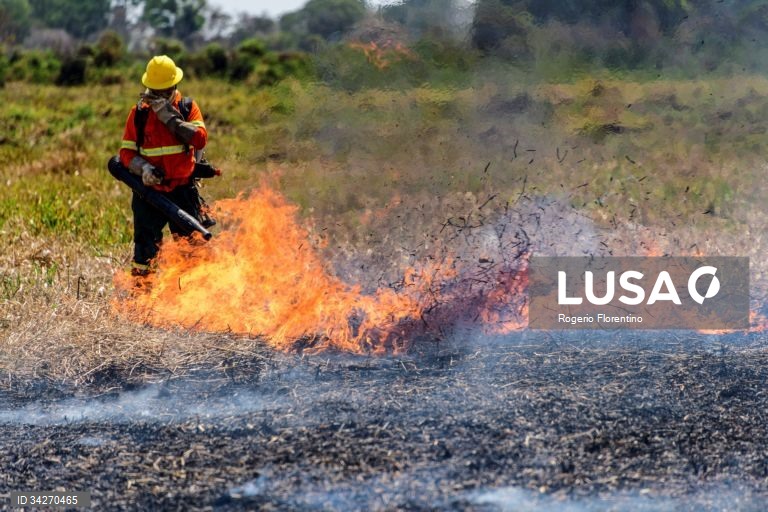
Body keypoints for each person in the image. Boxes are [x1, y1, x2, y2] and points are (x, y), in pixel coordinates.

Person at [108, 55, 209, 276]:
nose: (159, 97)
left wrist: (169, 118)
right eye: (154, 92)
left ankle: (194, 301)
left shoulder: (187, 107)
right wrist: (143, 169)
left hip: (183, 190)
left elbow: (200, 139)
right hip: (149, 194)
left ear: (175, 86)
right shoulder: (139, 113)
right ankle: (142, 301)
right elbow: (126, 153)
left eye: (164, 92)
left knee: (192, 250)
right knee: (145, 252)